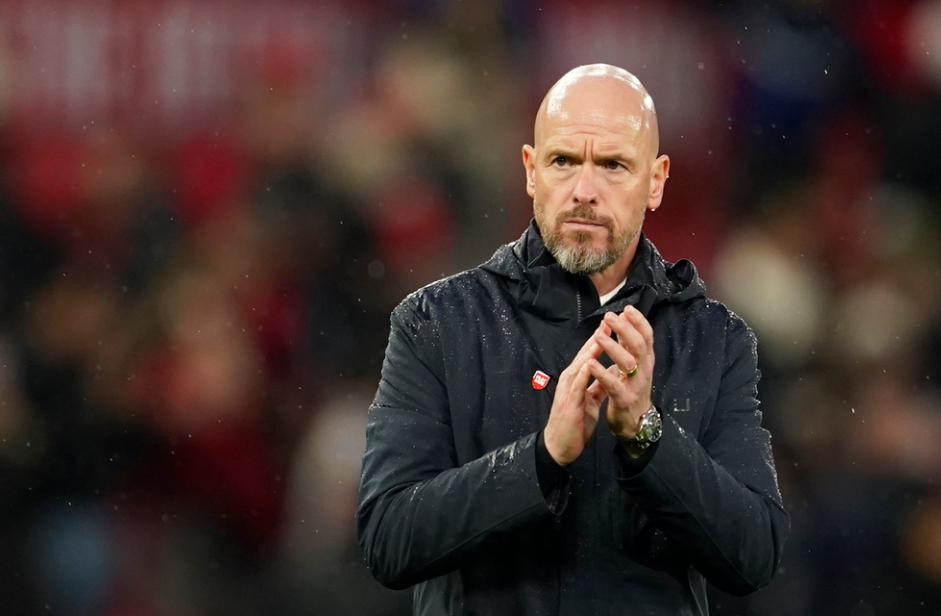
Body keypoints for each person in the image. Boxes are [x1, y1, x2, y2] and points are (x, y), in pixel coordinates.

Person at [357, 63, 789, 616]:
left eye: (613, 165)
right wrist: (541, 458)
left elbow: (754, 556)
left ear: (655, 182)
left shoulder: (715, 340)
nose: (585, 191)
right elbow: (388, 540)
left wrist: (647, 434)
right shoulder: (436, 323)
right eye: (564, 161)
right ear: (531, 170)